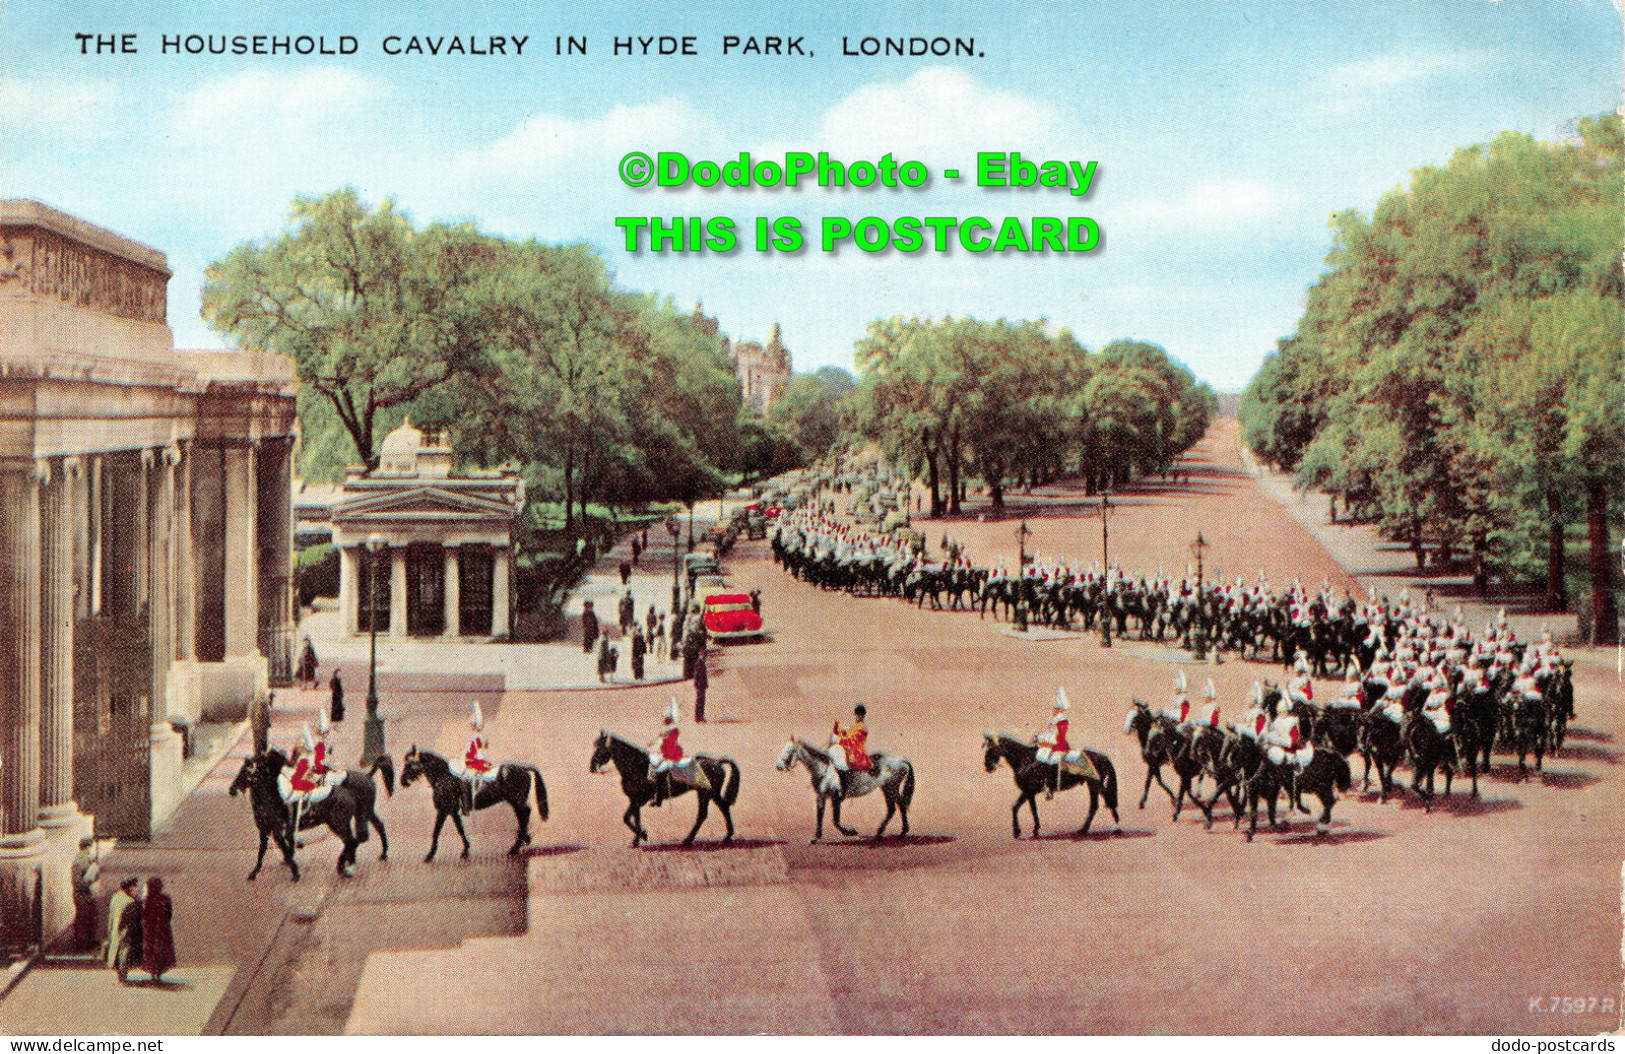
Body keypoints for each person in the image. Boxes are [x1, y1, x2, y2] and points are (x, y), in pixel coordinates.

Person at [1034, 688, 1096, 799]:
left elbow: (1057, 737)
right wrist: (1039, 737)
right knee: (1040, 755)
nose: (1053, 710)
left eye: (1055, 708)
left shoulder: (1061, 720)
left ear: (1059, 709)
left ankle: (1049, 786)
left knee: (1049, 759)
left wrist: (1042, 740)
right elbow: (1050, 733)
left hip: (1060, 746)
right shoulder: (1055, 720)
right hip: (1055, 744)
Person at [648, 699, 708, 806]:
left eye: (667, 719)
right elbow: (660, 739)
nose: (665, 721)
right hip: (667, 752)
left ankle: (658, 797)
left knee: (657, 769)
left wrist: (658, 743)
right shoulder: (668, 729)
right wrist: (653, 742)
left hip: (671, 754)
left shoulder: (672, 729)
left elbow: (665, 741)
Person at [107, 877, 142, 984]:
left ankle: (119, 974)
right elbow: (134, 919)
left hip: (115, 928)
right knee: (124, 952)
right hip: (125, 930)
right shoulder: (130, 901)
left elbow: (111, 915)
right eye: (134, 887)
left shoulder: (115, 897)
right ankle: (123, 975)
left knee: (116, 950)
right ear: (131, 887)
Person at [140, 877, 175, 984]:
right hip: (163, 929)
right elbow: (169, 914)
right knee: (161, 950)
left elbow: (143, 914)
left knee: (150, 950)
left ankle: (152, 973)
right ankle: (159, 973)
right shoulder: (166, 898)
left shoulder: (146, 899)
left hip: (150, 929)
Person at [462, 701, 494, 813]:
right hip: (481, 758)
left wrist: (466, 758)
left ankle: (467, 805)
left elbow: (472, 751)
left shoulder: (475, 736)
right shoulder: (480, 736)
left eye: (472, 724)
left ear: (474, 725)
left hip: (477, 761)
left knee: (465, 778)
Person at [71, 837, 100, 952]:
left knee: (90, 918)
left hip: (88, 895)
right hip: (82, 895)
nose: (91, 850)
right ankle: (81, 943)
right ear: (86, 847)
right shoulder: (78, 861)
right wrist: (89, 882)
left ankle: (88, 941)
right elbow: (77, 882)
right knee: (82, 920)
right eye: (90, 847)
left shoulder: (86, 859)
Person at [693, 652, 709, 722]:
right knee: (700, 701)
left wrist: (706, 683)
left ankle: (700, 716)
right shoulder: (699, 663)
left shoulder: (702, 663)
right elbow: (696, 675)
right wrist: (697, 684)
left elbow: (704, 675)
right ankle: (698, 717)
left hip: (702, 684)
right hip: (700, 684)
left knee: (702, 700)